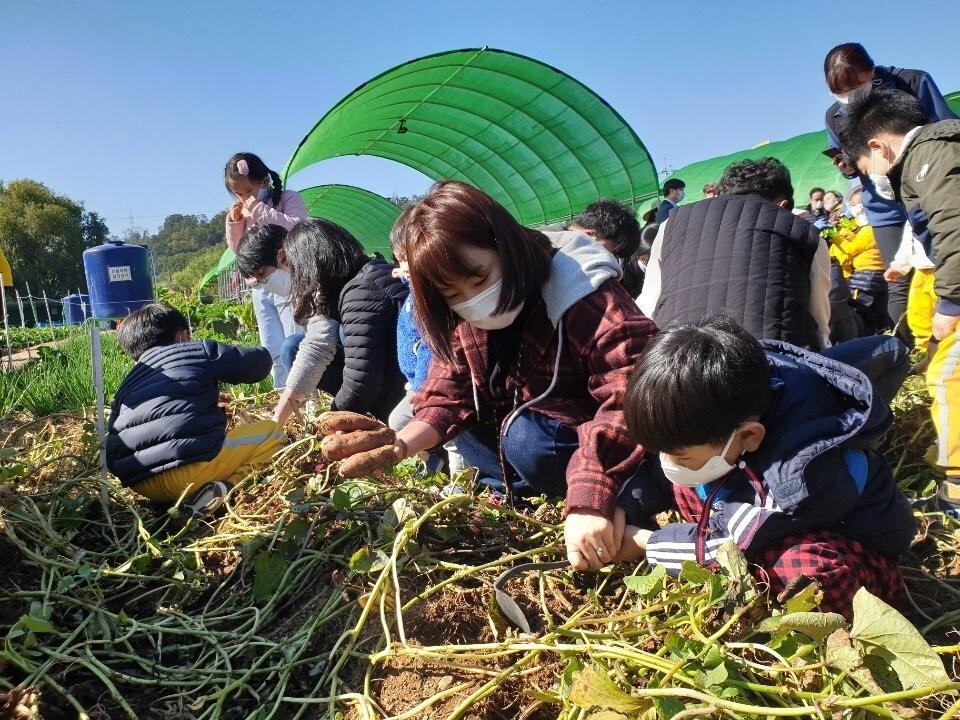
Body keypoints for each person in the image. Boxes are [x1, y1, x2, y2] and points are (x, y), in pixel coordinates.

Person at [320, 181, 657, 570]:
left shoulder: (584, 293)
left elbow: (631, 393)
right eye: (452, 293)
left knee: (526, 437)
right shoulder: (460, 316)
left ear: (505, 246)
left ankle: (622, 502)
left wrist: (590, 497)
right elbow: (449, 392)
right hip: (530, 459)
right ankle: (509, 500)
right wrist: (399, 445)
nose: (470, 298)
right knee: (477, 421)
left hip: (607, 451)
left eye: (479, 279)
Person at [615, 315, 914, 615]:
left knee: (801, 572)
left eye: (679, 457)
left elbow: (724, 546)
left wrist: (647, 543)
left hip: (852, 544)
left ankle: (876, 586)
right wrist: (622, 507)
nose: (668, 463)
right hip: (761, 500)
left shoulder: (796, 477)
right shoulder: (745, 386)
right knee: (684, 483)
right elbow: (883, 350)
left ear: (748, 436)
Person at [840, 88, 960, 518]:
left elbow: (954, 227)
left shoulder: (930, 157)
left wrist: (951, 303)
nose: (870, 177)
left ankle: (957, 484)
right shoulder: (936, 155)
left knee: (948, 377)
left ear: (878, 145)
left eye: (865, 168)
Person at [822, 43, 957, 346]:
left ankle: (948, 333)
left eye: (855, 86)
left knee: (942, 261)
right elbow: (853, 160)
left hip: (928, 189)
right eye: (839, 93)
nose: (848, 97)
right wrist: (848, 165)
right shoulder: (834, 116)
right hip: (884, 205)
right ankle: (910, 347)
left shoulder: (912, 82)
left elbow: (946, 128)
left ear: (872, 72)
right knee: (898, 279)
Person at [106, 304, 285, 515]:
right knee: (272, 434)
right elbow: (257, 364)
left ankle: (172, 504)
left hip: (142, 483)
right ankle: (226, 488)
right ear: (182, 336)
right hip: (190, 472)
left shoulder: (127, 383)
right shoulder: (194, 349)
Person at [638, 157, 832, 350]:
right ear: (782, 205)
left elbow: (648, 306)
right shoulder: (805, 233)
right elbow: (820, 324)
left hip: (674, 365)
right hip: (768, 368)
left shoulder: (670, 225)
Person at [275, 218, 408, 425]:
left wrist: (332, 419)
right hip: (396, 380)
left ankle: (383, 420)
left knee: (342, 334)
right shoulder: (369, 272)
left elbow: (362, 382)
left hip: (402, 400)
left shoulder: (361, 292)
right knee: (298, 345)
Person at [223, 152, 308, 389]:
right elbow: (242, 251)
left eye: (248, 192)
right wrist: (234, 224)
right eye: (238, 194)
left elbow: (297, 228)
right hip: (259, 286)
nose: (244, 198)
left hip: (285, 278)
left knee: (294, 339)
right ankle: (283, 394)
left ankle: (303, 393)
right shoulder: (245, 213)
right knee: (271, 344)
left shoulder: (288, 199)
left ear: (264, 182)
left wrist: (260, 210)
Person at [387, 228, 465, 476]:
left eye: (408, 258)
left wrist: (422, 387)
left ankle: (463, 481)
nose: (403, 266)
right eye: (399, 259)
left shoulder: (432, 299)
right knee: (397, 422)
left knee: (454, 436)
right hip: (416, 382)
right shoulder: (416, 292)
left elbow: (431, 348)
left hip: (430, 383)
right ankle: (431, 461)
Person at [826, 187, 890, 333]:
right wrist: (841, 227)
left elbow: (851, 248)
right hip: (873, 274)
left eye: (858, 203)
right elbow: (854, 238)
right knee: (879, 308)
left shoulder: (869, 229)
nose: (856, 208)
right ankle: (882, 331)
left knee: (859, 307)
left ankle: (865, 333)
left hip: (866, 275)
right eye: (853, 204)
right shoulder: (867, 227)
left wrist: (833, 236)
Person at [568, 198, 645, 296]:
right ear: (589, 235)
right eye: (610, 253)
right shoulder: (548, 250)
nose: (611, 261)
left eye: (615, 257)